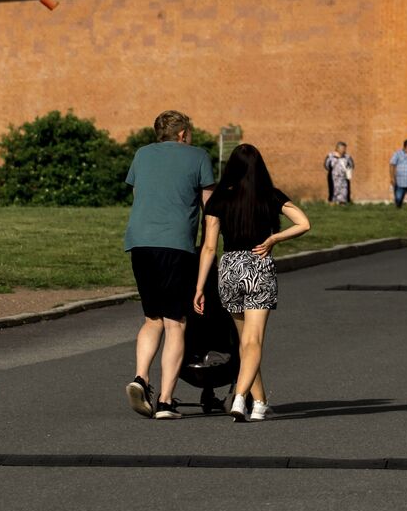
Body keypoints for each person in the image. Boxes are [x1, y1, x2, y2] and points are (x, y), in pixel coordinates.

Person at [194, 144, 310, 422]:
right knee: (254, 341)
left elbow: (209, 248)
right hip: (258, 268)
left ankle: (259, 402)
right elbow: (304, 223)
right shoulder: (270, 195)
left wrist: (199, 287)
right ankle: (240, 398)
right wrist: (273, 239)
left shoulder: (218, 199)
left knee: (245, 342)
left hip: (230, 270)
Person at [123, 110, 216, 420]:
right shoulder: (198, 156)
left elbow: (139, 194)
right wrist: (207, 245)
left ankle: (140, 377)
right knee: (176, 322)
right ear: (182, 134)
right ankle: (165, 401)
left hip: (140, 243)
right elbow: (209, 206)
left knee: (153, 318)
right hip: (176, 245)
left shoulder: (142, 155)